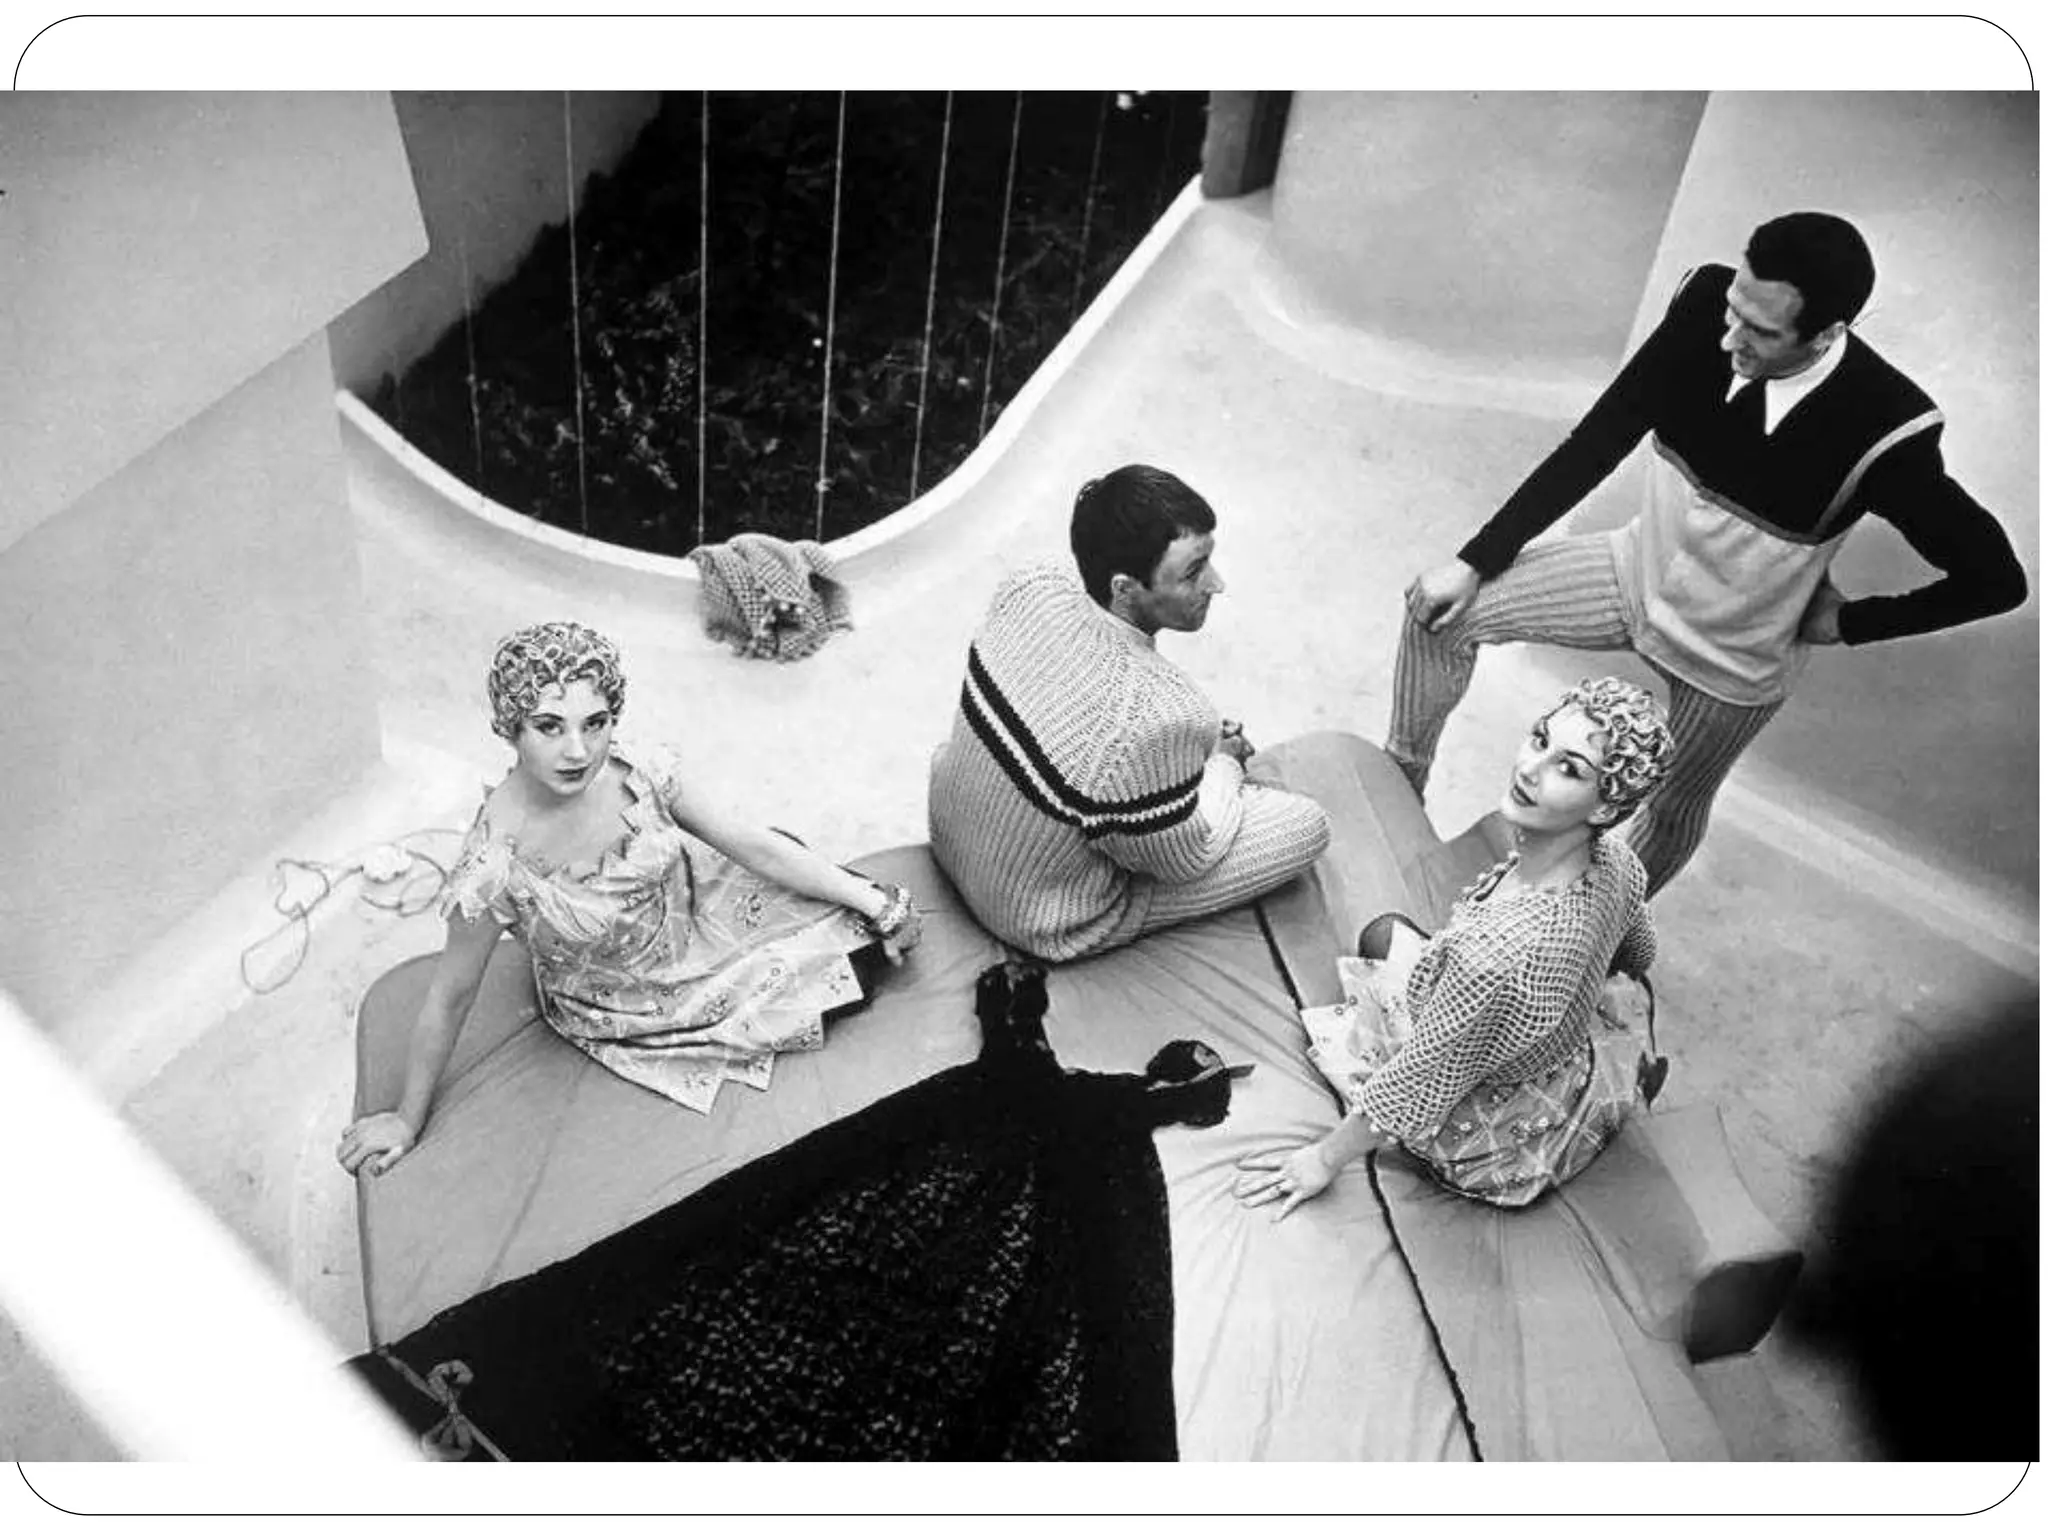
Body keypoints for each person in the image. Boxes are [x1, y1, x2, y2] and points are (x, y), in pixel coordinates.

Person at [1388, 212, 2026, 897]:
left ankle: (1594, 931)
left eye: (1760, 331)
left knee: (1669, 810)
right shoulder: (1702, 305)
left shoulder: (1887, 430)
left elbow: (1996, 581)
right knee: (1441, 613)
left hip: (1733, 657)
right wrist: (1475, 559)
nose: (1728, 338)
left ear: (1827, 334)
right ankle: (1393, 804)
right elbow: (1596, 443)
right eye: (1733, 309)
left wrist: (1849, 622)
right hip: (1632, 575)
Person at [337, 621, 923, 1176]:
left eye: (595, 723)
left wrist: (876, 901)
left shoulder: (636, 768)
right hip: (634, 995)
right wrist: (406, 1119)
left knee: (850, 916)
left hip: (698, 907)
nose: (578, 751)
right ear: (511, 728)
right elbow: (450, 995)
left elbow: (746, 843)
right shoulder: (492, 867)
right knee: (842, 983)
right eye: (549, 726)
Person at [1238, 677, 1673, 1214]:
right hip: (1569, 1072)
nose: (1530, 769)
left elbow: (1416, 1087)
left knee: (1382, 932)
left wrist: (1323, 1160)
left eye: (1569, 769)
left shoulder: (1491, 957)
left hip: (1494, 1133)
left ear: (1605, 809)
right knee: (1392, 938)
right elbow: (1638, 955)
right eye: (1540, 740)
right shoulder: (1620, 864)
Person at [928, 463, 1331, 962]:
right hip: (1039, 916)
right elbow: (1188, 859)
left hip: (952, 838)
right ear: (1124, 588)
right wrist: (1224, 765)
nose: (1217, 583)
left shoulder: (1031, 585)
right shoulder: (1155, 714)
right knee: (1306, 824)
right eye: (1193, 572)